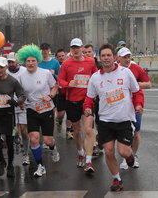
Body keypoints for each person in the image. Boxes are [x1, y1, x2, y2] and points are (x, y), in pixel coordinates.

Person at [83, 43, 144, 191]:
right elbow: (89, 98)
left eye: (109, 55)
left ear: (114, 57)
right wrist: (87, 109)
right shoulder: (95, 78)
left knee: (123, 151)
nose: (106, 58)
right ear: (100, 58)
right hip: (105, 121)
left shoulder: (125, 73)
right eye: (103, 56)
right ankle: (117, 179)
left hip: (123, 120)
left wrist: (138, 105)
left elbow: (137, 92)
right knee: (109, 151)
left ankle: (130, 157)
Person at [17, 44, 59, 178]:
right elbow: (20, 94)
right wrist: (21, 102)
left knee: (47, 140)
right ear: (24, 62)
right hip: (32, 110)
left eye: (33, 60)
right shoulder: (21, 77)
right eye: (28, 61)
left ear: (38, 61)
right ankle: (41, 166)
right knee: (34, 140)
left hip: (46, 110)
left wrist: (50, 95)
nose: (30, 63)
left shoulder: (45, 73)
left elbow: (55, 86)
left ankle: (53, 148)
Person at [58, 38, 98, 173]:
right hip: (72, 101)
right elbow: (60, 80)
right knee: (77, 130)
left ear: (82, 48)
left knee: (88, 130)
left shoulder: (91, 62)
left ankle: (88, 161)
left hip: (87, 101)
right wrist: (67, 84)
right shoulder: (66, 63)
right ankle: (80, 152)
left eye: (78, 47)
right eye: (73, 47)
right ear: (71, 49)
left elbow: (96, 78)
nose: (76, 50)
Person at [116, 47, 151, 169]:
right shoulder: (114, 69)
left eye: (128, 57)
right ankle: (126, 157)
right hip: (119, 106)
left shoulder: (136, 68)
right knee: (122, 132)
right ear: (118, 58)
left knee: (136, 133)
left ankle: (133, 155)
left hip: (136, 104)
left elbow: (148, 84)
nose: (127, 59)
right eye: (124, 57)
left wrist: (134, 84)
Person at [6, 52, 30, 165]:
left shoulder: (24, 71)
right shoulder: (5, 73)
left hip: (23, 104)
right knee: (14, 131)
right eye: (9, 62)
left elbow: (27, 88)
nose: (10, 64)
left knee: (24, 131)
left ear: (17, 61)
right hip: (11, 105)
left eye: (12, 61)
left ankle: (26, 155)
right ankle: (17, 141)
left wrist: (23, 101)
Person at [55, 49, 73, 138]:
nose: (61, 58)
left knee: (70, 113)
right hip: (60, 93)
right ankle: (59, 121)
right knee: (61, 113)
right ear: (56, 57)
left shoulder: (69, 64)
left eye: (63, 56)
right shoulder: (56, 66)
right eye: (59, 56)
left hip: (70, 92)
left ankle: (68, 131)